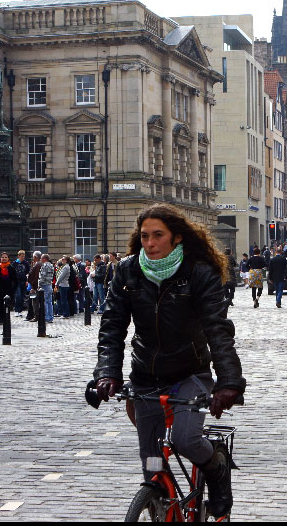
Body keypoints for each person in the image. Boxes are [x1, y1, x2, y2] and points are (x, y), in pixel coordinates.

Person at [93, 203, 245, 519]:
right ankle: (157, 503)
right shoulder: (127, 271)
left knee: (185, 438)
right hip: (146, 375)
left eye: (158, 235)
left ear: (176, 237)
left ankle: (215, 467)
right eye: (145, 236)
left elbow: (218, 330)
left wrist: (229, 382)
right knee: (151, 462)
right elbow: (112, 326)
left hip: (189, 373)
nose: (150, 243)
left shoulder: (198, 273)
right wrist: (107, 373)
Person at [38, 253, 55, 323]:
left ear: (45, 259)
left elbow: (43, 276)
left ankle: (47, 317)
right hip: (49, 284)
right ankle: (50, 317)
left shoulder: (45, 266)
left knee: (44, 302)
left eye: (41, 258)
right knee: (49, 302)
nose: (41, 259)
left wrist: (39, 284)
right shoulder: (51, 265)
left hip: (44, 285)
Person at [13, 250, 30, 316]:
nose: (23, 257)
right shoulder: (15, 263)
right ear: (19, 256)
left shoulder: (26, 263)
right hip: (17, 282)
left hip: (24, 282)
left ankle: (20, 310)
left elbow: (28, 272)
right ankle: (16, 310)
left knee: (22, 296)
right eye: (22, 256)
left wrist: (27, 281)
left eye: (24, 256)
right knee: (18, 295)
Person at [26, 251, 42, 322]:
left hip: (35, 286)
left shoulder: (37, 265)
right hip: (37, 285)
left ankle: (36, 316)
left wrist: (33, 286)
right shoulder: (39, 264)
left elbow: (35, 277)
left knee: (35, 302)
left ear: (35, 257)